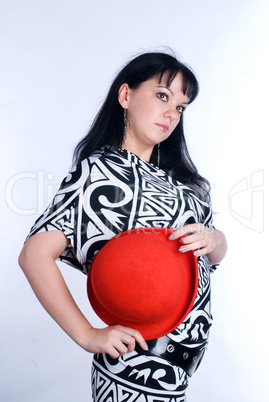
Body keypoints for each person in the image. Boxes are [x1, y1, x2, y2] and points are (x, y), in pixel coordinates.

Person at [19, 51, 227, 401]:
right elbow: (34, 255)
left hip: (178, 373)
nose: (172, 113)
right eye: (162, 96)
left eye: (180, 107)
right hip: (133, 371)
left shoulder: (177, 184)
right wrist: (87, 335)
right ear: (126, 96)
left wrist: (214, 237)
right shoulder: (97, 173)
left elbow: (212, 258)